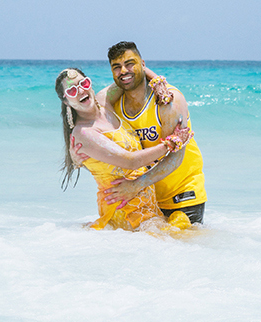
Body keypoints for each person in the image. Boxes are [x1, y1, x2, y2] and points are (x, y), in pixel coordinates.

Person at [55, 68, 192, 231]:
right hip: (125, 214)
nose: (80, 91)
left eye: (83, 83)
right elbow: (131, 161)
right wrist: (172, 143)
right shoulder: (84, 133)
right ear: (66, 102)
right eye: (72, 90)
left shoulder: (104, 102)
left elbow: (131, 77)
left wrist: (159, 84)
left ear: (90, 84)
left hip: (146, 208)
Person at [101, 41, 207, 224]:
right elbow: (94, 105)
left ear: (143, 63)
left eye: (130, 63)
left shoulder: (168, 102)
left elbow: (175, 158)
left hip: (183, 193)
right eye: (117, 67)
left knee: (184, 248)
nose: (124, 71)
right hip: (147, 199)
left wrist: (135, 185)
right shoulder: (115, 106)